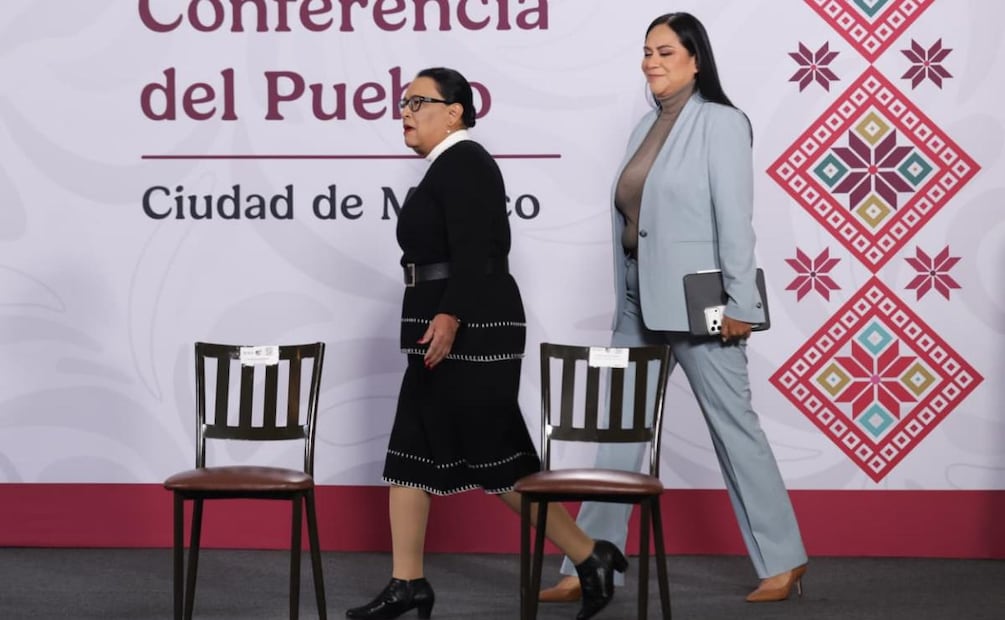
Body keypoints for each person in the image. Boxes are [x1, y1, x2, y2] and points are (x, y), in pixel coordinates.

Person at [538, 12, 809, 604]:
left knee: (735, 431)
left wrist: (743, 302)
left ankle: (783, 560)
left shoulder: (723, 123)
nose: (651, 62)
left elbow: (734, 220)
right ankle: (591, 560)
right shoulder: (644, 127)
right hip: (637, 299)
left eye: (664, 51)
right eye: (646, 52)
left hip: (699, 304)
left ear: (695, 59)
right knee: (617, 432)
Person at [346, 67, 626, 620]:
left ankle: (589, 554)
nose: (404, 111)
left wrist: (450, 314)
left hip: (470, 325)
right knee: (412, 452)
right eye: (402, 102)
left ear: (455, 111)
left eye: (418, 101)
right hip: (444, 322)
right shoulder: (444, 167)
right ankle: (409, 583)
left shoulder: (467, 162)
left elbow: (474, 250)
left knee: (492, 456)